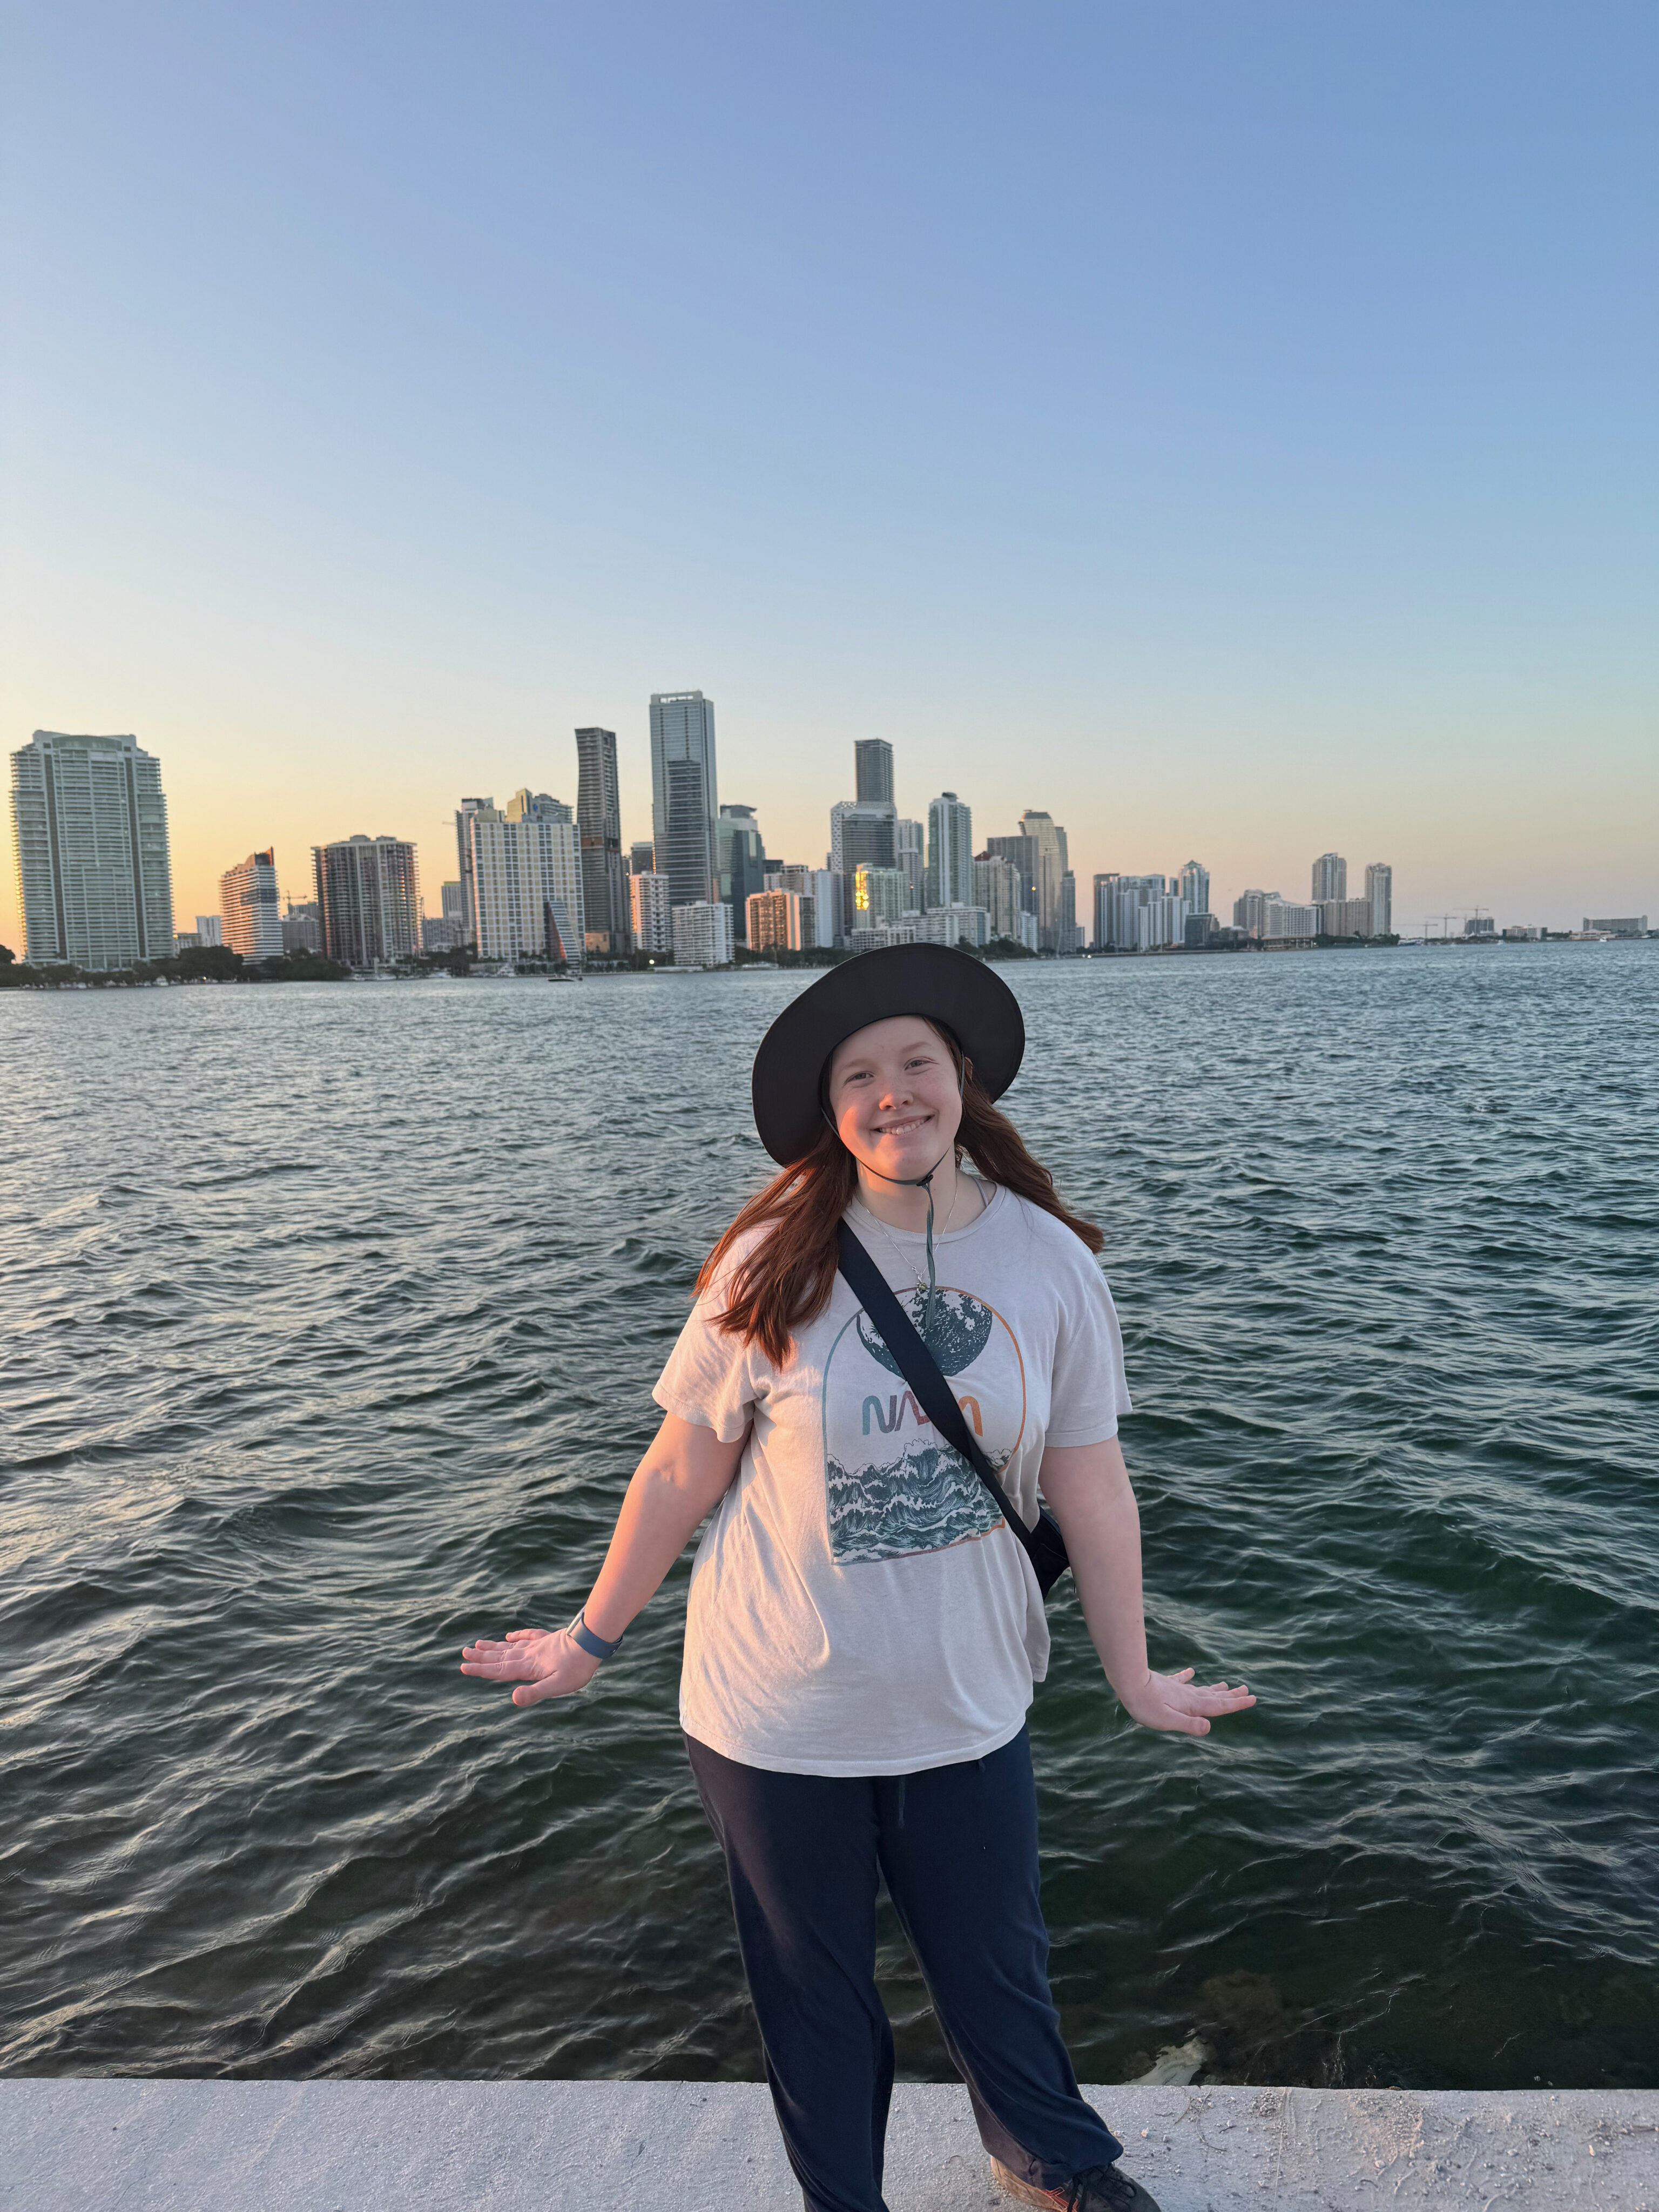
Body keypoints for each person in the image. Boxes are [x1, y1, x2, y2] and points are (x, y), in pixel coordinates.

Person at [462, 945, 1255, 2212]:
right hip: (775, 1712)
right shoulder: (773, 1256)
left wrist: (1136, 1673)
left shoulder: (1049, 1260)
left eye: (917, 1064)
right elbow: (680, 1469)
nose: (895, 1093)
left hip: (967, 1697)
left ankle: (1051, 2157)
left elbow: (1092, 1484)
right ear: (832, 1109)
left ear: (965, 1081)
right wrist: (587, 1640)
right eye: (860, 1075)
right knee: (814, 1993)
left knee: (998, 1964)